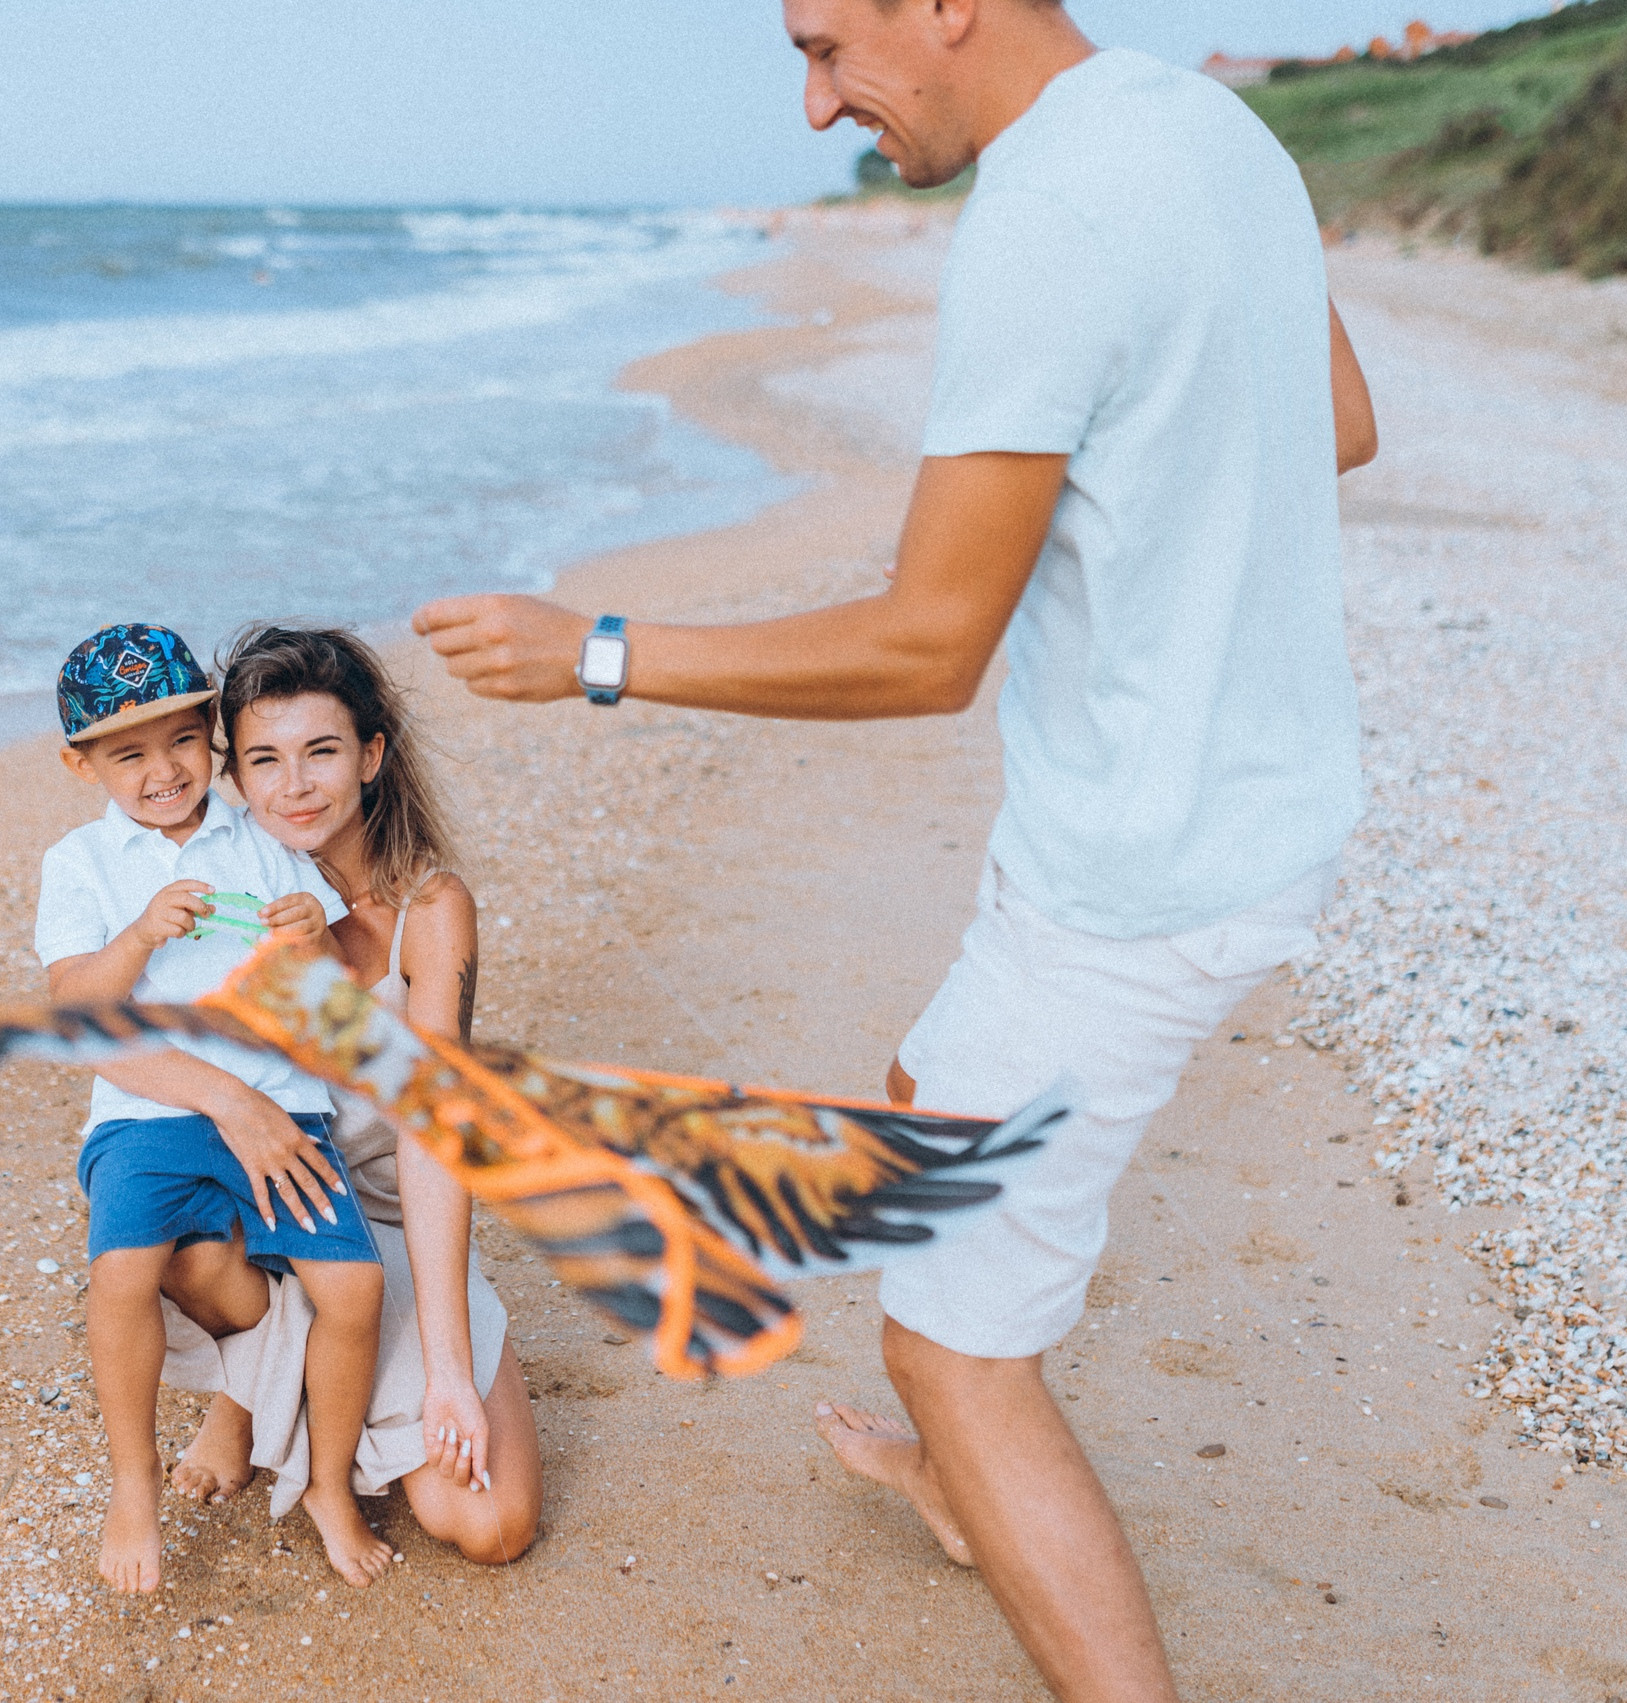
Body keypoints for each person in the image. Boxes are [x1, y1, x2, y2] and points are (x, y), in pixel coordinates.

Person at [409, 2, 1381, 1697]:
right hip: (1260, 805)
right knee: (926, 1084)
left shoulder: (1044, 214)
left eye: (827, 46)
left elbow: (928, 647)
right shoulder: (1209, 129)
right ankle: (957, 1485)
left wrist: (596, 654)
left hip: (1134, 878)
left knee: (950, 1347)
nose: (814, 106)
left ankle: (970, 1453)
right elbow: (1341, 418)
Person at [154, 624, 542, 1566]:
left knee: (491, 1525)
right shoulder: (220, 886)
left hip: (389, 1220)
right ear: (235, 776)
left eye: (321, 751)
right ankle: (241, 1396)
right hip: (264, 1205)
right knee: (168, 1229)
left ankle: (312, 1382)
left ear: (370, 755)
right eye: (264, 759)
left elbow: (434, 1131)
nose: (294, 785)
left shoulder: (430, 910)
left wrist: (449, 1369)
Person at [32, 622, 393, 1595]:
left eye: (184, 741)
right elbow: (73, 1006)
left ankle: (327, 1484)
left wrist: (314, 938)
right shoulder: (81, 861)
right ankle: (134, 1481)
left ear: (212, 737)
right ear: (81, 764)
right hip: (144, 1114)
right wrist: (139, 936)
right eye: (130, 755)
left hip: (284, 1102)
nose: (164, 771)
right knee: (121, 1270)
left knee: (355, 1289)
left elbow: (335, 1003)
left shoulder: (262, 840)